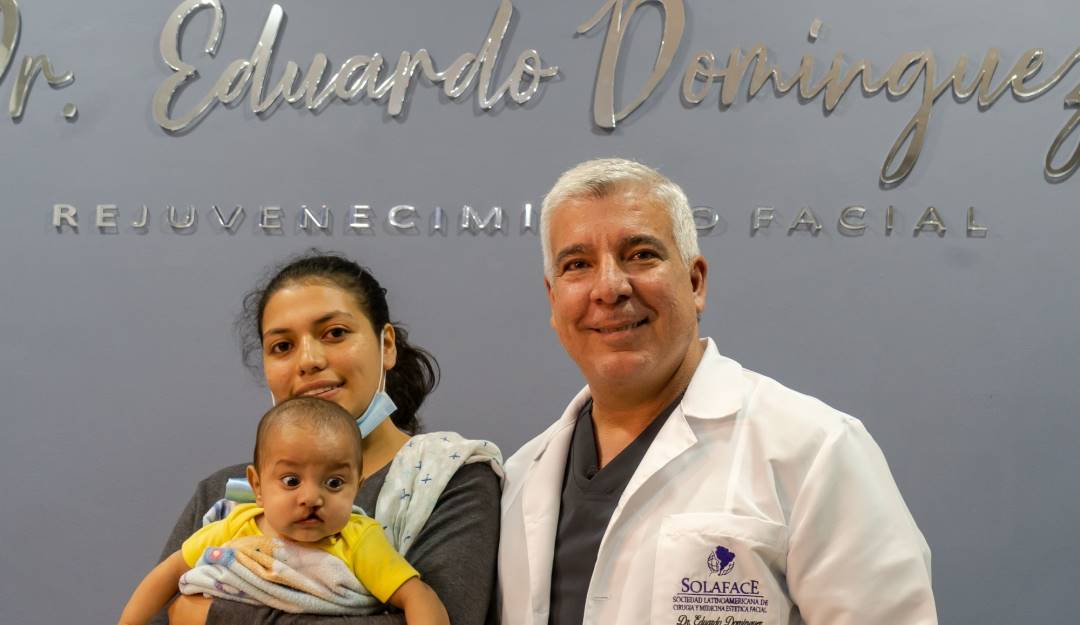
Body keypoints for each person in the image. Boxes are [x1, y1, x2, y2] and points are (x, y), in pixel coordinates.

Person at [497, 158, 938, 625]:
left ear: (695, 282)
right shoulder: (521, 477)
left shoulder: (816, 451)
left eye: (641, 255)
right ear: (553, 299)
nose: (609, 287)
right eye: (577, 265)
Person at [156, 253, 501, 625]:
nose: (308, 360)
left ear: (386, 345)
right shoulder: (224, 494)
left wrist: (211, 615)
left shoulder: (451, 478)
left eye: (335, 333)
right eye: (282, 346)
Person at [120, 397, 449, 625]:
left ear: (357, 488)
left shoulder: (358, 541)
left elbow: (417, 596)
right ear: (257, 486)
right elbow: (169, 572)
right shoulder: (236, 525)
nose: (312, 497)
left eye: (334, 483)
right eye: (291, 481)